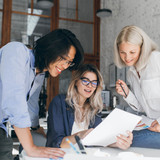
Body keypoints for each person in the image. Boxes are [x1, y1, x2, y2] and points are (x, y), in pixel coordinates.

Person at [0, 28, 84, 160]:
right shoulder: (17, 51)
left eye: (69, 62)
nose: (65, 65)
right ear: (50, 48)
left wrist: (35, 127)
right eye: (63, 58)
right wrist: (31, 147)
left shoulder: (39, 75)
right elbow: (14, 100)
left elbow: (31, 103)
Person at [46, 64, 133, 150]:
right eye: (85, 81)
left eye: (94, 82)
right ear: (76, 81)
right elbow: (56, 143)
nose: (89, 85)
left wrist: (117, 143)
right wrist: (80, 135)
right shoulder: (59, 102)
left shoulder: (95, 108)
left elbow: (99, 138)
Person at [114, 25, 160, 148]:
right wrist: (127, 94)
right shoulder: (131, 73)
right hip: (151, 124)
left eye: (132, 52)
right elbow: (142, 107)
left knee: (122, 141)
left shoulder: (156, 59)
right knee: (120, 137)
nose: (127, 58)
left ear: (142, 48)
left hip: (157, 126)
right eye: (122, 52)